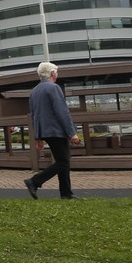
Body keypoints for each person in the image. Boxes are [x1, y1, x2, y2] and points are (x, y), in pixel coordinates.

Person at [23, 61, 78, 200]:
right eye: (56, 72)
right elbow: (62, 112)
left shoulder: (34, 91)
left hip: (45, 132)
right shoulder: (54, 88)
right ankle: (34, 181)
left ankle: (66, 193)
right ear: (52, 73)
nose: (57, 74)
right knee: (63, 162)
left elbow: (34, 115)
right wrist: (72, 133)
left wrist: (38, 137)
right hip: (56, 131)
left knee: (62, 161)